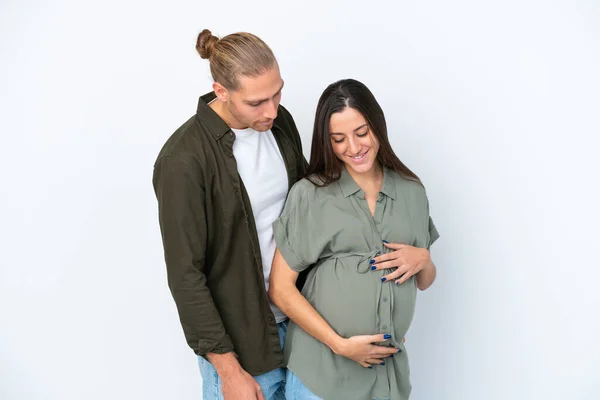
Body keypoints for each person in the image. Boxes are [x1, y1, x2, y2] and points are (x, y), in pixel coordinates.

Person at [152, 29, 307, 400]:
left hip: (305, 330)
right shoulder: (183, 161)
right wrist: (228, 371)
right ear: (221, 91)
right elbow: (186, 275)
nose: (272, 110)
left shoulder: (279, 124)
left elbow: (309, 212)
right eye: (256, 102)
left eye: (277, 93)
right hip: (243, 349)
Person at [269, 78, 440, 400]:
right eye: (338, 139)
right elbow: (280, 289)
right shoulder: (311, 195)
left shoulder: (411, 192)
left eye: (361, 133)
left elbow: (423, 282)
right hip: (321, 373)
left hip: (386, 376)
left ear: (377, 126)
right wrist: (340, 345)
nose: (354, 147)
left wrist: (424, 259)